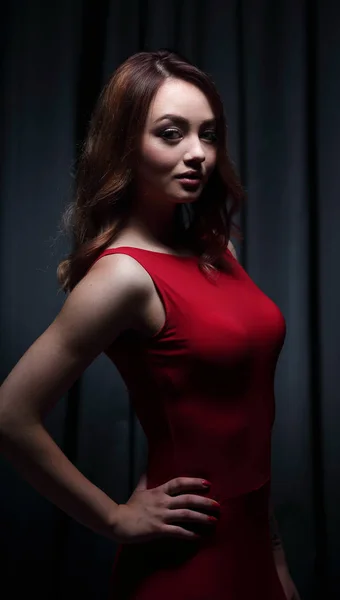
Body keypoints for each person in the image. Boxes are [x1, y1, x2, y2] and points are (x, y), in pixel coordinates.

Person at [0, 49, 300, 599]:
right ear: (125, 145)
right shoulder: (124, 277)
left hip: (252, 544)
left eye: (208, 135)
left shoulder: (220, 249)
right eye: (171, 133)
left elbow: (244, 425)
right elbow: (9, 414)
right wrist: (114, 518)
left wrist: (275, 557)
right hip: (187, 561)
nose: (197, 154)